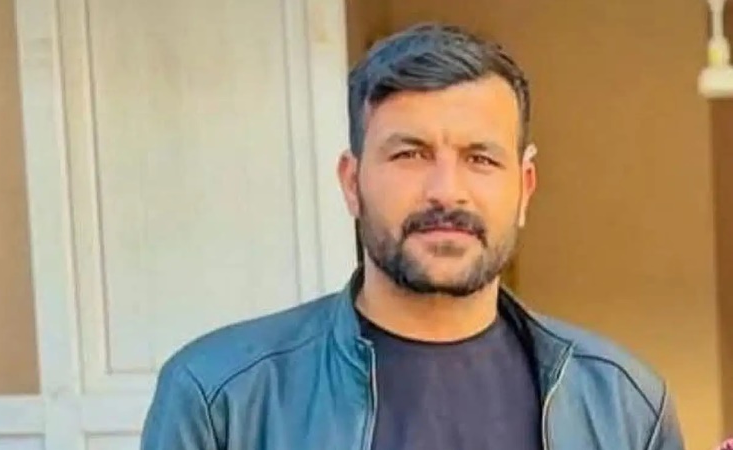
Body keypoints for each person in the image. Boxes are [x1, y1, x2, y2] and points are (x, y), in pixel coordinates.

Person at [141, 23, 685, 450]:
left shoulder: (624, 405)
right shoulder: (220, 398)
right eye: (410, 154)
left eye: (480, 158)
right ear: (352, 183)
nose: (446, 192)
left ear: (524, 188)